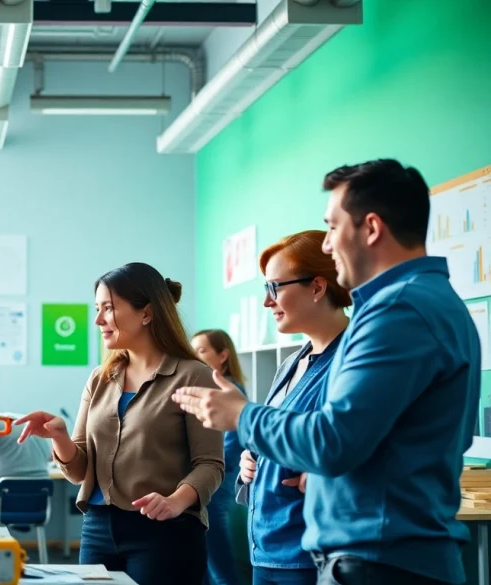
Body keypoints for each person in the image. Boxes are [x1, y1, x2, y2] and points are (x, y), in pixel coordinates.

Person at [174, 160, 480, 585]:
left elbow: (332, 441)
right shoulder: (426, 302)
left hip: (380, 559)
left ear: (370, 228)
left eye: (333, 227)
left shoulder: (399, 311)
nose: (329, 245)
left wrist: (242, 415)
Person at [16, 263, 224, 585]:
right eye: (97, 309)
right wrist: (59, 438)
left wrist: (174, 501)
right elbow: (77, 471)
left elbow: (210, 464)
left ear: (147, 313)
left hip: (165, 532)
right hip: (98, 529)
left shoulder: (193, 375)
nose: (98, 320)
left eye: (109, 309)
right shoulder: (100, 378)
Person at [240, 230, 350, 585]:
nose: (266, 303)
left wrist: (322, 476)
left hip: (310, 556)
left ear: (317, 288)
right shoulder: (292, 362)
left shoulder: (352, 362)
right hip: (267, 548)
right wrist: (253, 457)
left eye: (274, 288)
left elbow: (352, 445)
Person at [191, 329, 247, 585]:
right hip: (205, 485)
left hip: (216, 487)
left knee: (218, 561)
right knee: (203, 562)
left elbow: (232, 446)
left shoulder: (230, 393)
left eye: (201, 351)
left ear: (222, 355)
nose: (195, 357)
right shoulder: (205, 392)